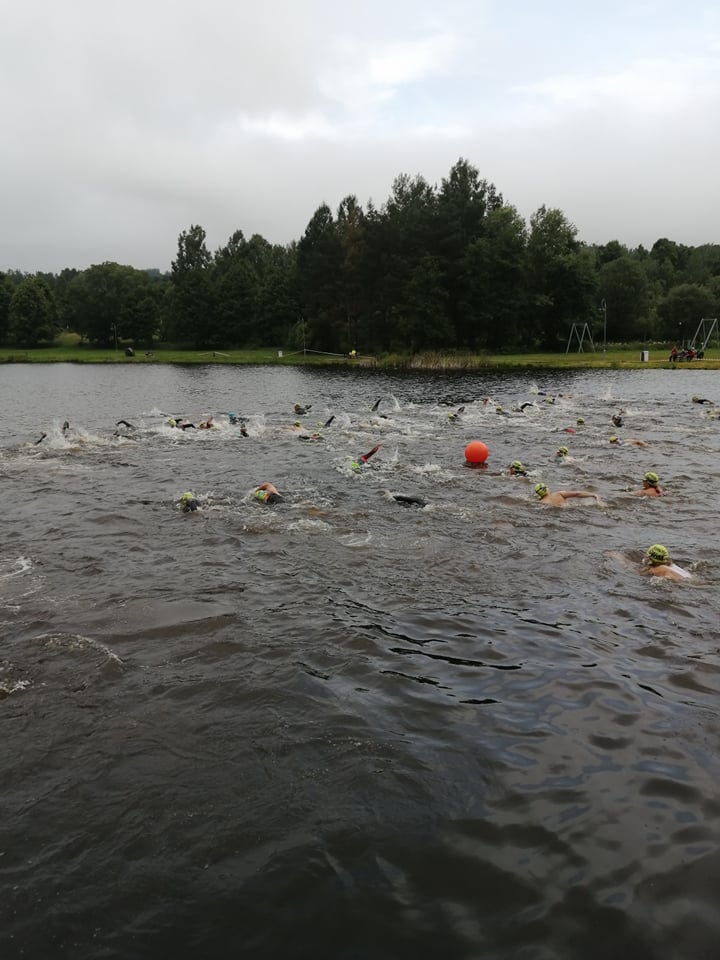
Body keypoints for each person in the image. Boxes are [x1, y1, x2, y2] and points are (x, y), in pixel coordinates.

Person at [534, 483, 599, 507]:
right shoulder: (558, 494)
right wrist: (593, 495)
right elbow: (577, 493)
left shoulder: (541, 502)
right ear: (546, 489)